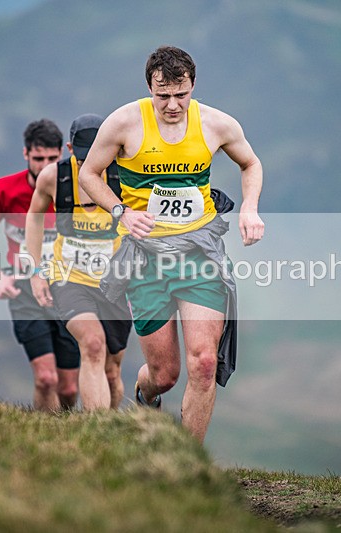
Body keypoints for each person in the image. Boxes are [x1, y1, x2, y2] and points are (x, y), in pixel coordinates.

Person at [78, 45, 265, 443]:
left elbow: (250, 163)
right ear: (150, 87)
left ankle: (188, 461)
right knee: (165, 375)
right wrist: (121, 213)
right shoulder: (124, 123)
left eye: (181, 95)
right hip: (145, 259)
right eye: (163, 96)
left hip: (199, 254)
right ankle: (146, 396)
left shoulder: (216, 124)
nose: (172, 105)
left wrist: (249, 208)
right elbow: (89, 175)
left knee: (203, 364)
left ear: (193, 86)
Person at [0, 119, 81, 412]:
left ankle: (67, 437)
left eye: (52, 158)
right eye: (38, 158)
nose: (45, 166)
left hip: (68, 289)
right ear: (25, 155)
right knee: (46, 379)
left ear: (62, 154)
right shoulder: (5, 189)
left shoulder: (76, 190)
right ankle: (43, 438)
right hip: (24, 290)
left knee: (69, 387)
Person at [26, 114, 132, 411]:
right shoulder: (53, 177)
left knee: (112, 371)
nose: (91, 164)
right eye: (84, 157)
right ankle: (97, 433)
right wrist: (36, 271)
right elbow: (34, 216)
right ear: (70, 148)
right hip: (69, 277)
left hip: (115, 282)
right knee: (93, 345)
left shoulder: (122, 175)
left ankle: (113, 431)